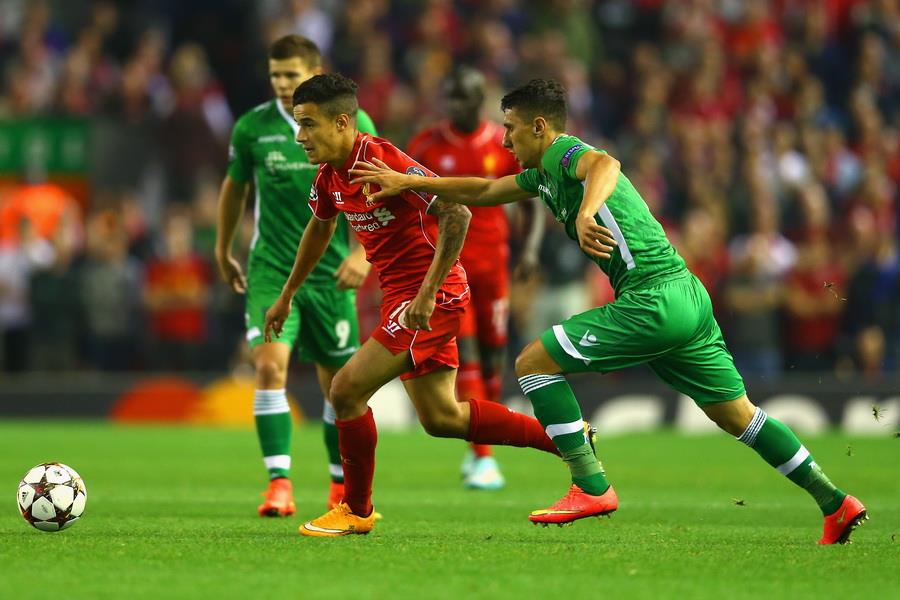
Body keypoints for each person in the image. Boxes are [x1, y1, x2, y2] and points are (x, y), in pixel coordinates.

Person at [350, 78, 867, 544]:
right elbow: (483, 189)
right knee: (739, 416)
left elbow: (605, 164)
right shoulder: (540, 177)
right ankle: (835, 501)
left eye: (510, 129)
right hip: (686, 295)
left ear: (539, 126)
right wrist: (413, 183)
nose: (504, 141)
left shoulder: (564, 153)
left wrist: (588, 211)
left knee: (532, 363)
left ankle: (591, 485)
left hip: (653, 298)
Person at [264, 73, 586, 538]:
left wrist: (428, 293)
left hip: (429, 297)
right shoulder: (331, 176)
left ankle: (356, 509)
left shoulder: (382, 160)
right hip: (404, 298)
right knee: (442, 418)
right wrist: (287, 294)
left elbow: (457, 212)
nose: (300, 136)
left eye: (309, 124)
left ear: (342, 122)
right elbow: (319, 228)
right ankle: (569, 438)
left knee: (345, 390)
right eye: (298, 124)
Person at [215, 35, 378, 517]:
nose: (282, 83)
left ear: (314, 72)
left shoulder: (352, 122)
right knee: (269, 368)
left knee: (339, 387)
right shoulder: (252, 127)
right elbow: (234, 189)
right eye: (275, 75)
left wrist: (362, 253)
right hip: (271, 269)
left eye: (291, 74)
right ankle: (279, 484)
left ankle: (337, 487)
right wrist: (223, 249)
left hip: (330, 276)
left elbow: (377, 191)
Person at [407, 66, 544, 490]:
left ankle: (479, 450)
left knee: (492, 363)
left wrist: (530, 249)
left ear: (480, 100)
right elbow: (406, 200)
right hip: (450, 270)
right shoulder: (426, 145)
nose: (453, 106)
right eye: (448, 97)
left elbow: (531, 197)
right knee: (465, 356)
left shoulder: (500, 143)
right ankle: (483, 457)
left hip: (494, 269)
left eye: (462, 98)